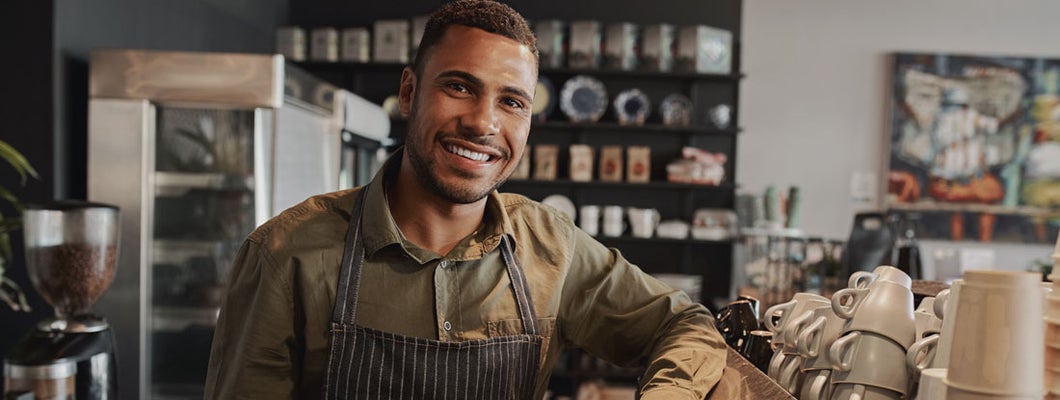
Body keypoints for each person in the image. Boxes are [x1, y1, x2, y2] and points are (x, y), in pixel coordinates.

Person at [204, 1, 726, 399]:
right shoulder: (284, 254)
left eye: (511, 101)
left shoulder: (551, 247)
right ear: (408, 92)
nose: (483, 122)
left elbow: (683, 323)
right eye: (459, 86)